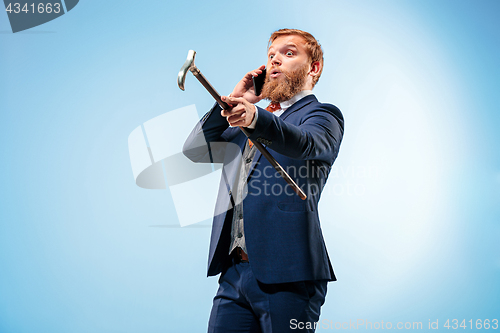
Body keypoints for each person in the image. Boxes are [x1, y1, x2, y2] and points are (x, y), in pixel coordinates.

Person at [183, 28, 344, 333]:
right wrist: (233, 102)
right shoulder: (243, 121)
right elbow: (194, 151)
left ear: (314, 67)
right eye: (271, 55)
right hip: (233, 275)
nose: (275, 61)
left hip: (290, 274)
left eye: (288, 53)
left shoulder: (322, 116)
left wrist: (256, 117)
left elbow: (303, 143)